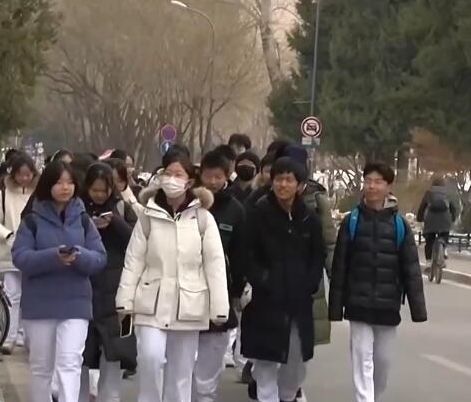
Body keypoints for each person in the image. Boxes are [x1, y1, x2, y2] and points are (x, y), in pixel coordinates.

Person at [115, 150, 229, 402]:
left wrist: (219, 307)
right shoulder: (148, 215)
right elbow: (134, 260)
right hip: (150, 301)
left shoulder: (202, 218)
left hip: (189, 304)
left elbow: (215, 264)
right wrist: (124, 300)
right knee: (150, 357)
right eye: (168, 173)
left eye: (178, 174)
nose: (172, 179)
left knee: (181, 372)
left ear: (189, 181)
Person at [329, 162, 426, 402]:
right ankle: (365, 399)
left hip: (387, 306)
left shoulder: (399, 225)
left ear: (388, 187)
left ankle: (374, 396)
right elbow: (340, 266)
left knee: (382, 364)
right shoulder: (351, 221)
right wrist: (336, 307)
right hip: (358, 304)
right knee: (362, 359)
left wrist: (418, 309)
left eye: (378, 182)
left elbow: (411, 269)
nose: (371, 186)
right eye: (368, 181)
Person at [11, 161, 107, 402]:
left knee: (69, 362)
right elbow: (20, 257)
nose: (65, 187)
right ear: (48, 185)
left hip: (75, 303)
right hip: (40, 304)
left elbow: (99, 258)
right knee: (41, 367)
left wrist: (79, 256)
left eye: (70, 182)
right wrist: (53, 257)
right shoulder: (32, 220)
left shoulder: (83, 220)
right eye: (59, 182)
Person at [240, 156, 327, 402]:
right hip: (266, 302)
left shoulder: (309, 219)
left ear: (300, 185)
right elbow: (246, 254)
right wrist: (263, 279)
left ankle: (287, 396)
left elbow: (317, 255)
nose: (283, 185)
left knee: (295, 367)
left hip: (298, 302)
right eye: (279, 179)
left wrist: (309, 283)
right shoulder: (258, 215)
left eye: (289, 180)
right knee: (266, 364)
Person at [191, 150, 246, 402]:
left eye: (218, 176)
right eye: (208, 176)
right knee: (184, 362)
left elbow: (240, 254)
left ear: (227, 176)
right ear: (200, 175)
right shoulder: (188, 204)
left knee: (211, 360)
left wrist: (236, 291)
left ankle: (206, 396)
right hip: (187, 293)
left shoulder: (235, 210)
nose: (213, 182)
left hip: (219, 294)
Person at [79, 163, 136, 402]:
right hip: (86, 285)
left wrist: (115, 222)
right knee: (81, 351)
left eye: (104, 190)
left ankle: (109, 397)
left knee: (114, 351)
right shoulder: (77, 209)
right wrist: (89, 225)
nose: (100, 195)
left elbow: (137, 241)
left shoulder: (122, 208)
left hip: (116, 288)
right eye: (95, 190)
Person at [0, 152, 38, 354]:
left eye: (28, 174)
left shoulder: (40, 195)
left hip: (34, 252)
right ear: (13, 174)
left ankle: (27, 336)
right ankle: (9, 335)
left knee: (31, 297)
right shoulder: (3, 195)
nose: (24, 178)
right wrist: (7, 235)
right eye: (20, 174)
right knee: (11, 295)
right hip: (11, 252)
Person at [416, 177, 459, 269]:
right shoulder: (447, 193)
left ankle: (428, 262)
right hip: (444, 219)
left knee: (429, 241)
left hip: (431, 219)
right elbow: (453, 208)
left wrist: (419, 218)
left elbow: (422, 206)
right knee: (445, 234)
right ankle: (444, 249)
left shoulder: (429, 193)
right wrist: (453, 219)